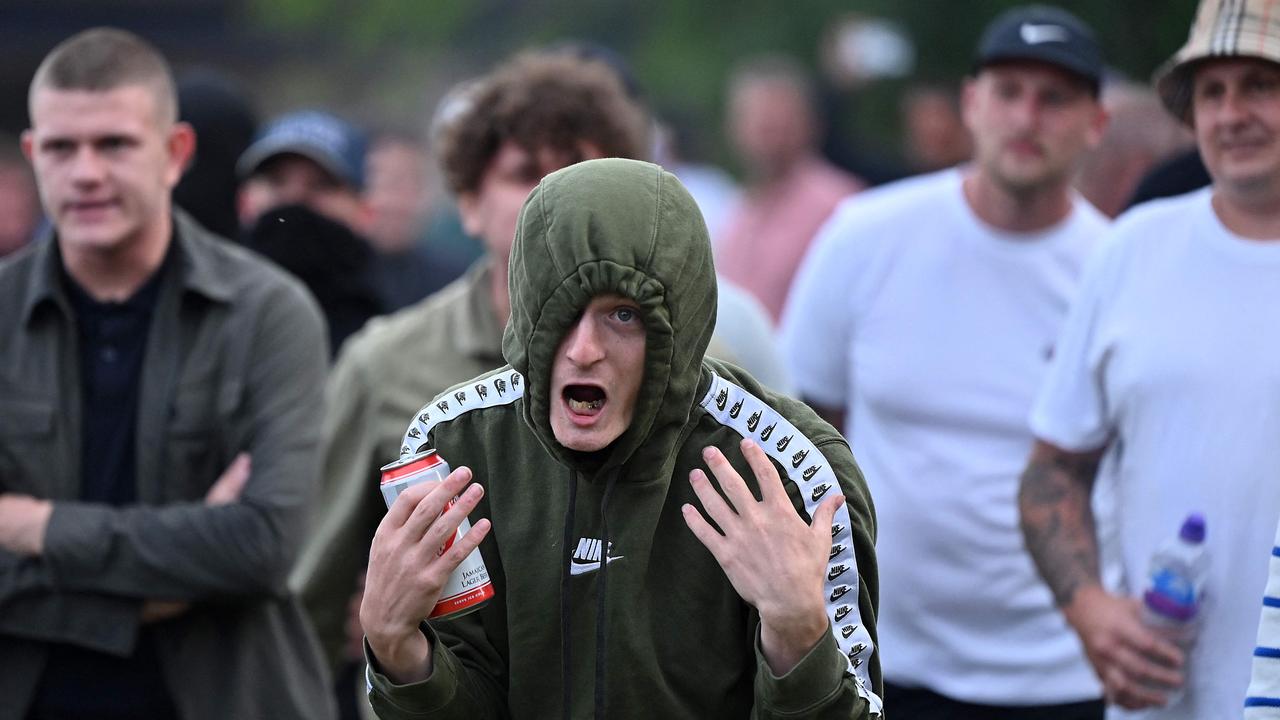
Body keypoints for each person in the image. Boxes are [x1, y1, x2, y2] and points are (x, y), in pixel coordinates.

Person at [359, 157, 882, 718]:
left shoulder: (787, 471)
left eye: (624, 316)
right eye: (561, 311)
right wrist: (398, 652)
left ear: (679, 327)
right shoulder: (455, 448)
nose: (584, 349)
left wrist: (797, 638)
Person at [290, 49, 652, 700]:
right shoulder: (383, 363)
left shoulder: (682, 367)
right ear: (468, 203)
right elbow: (314, 595)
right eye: (524, 172)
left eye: (576, 169)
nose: (552, 193)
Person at [781, 5, 1110, 718]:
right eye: (1008, 91)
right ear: (971, 103)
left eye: (1055, 98)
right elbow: (803, 434)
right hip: (883, 656)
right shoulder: (865, 238)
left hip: (1067, 672)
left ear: (1096, 123)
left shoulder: (1118, 270)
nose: (1028, 116)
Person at [0, 27, 333, 719]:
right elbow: (227, 551)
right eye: (62, 148)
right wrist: (167, 587)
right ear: (33, 155)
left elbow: (264, 546)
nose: (86, 172)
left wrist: (40, 527)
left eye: (114, 144)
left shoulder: (267, 314)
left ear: (175, 153)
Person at [1018, 0, 1280, 716]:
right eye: (1213, 91)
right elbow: (1052, 472)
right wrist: (1090, 610)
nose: (1233, 115)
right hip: (1160, 702)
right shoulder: (1133, 249)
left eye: (1260, 85)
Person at [717, 54, 863, 322]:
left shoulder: (839, 205)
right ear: (734, 127)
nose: (771, 134)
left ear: (811, 124)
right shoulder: (736, 208)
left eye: (781, 121)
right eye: (760, 121)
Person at [237, 109, 385, 355]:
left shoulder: (393, 326)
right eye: (276, 180)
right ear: (243, 202)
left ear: (365, 212)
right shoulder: (202, 318)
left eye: (321, 184)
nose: (294, 198)